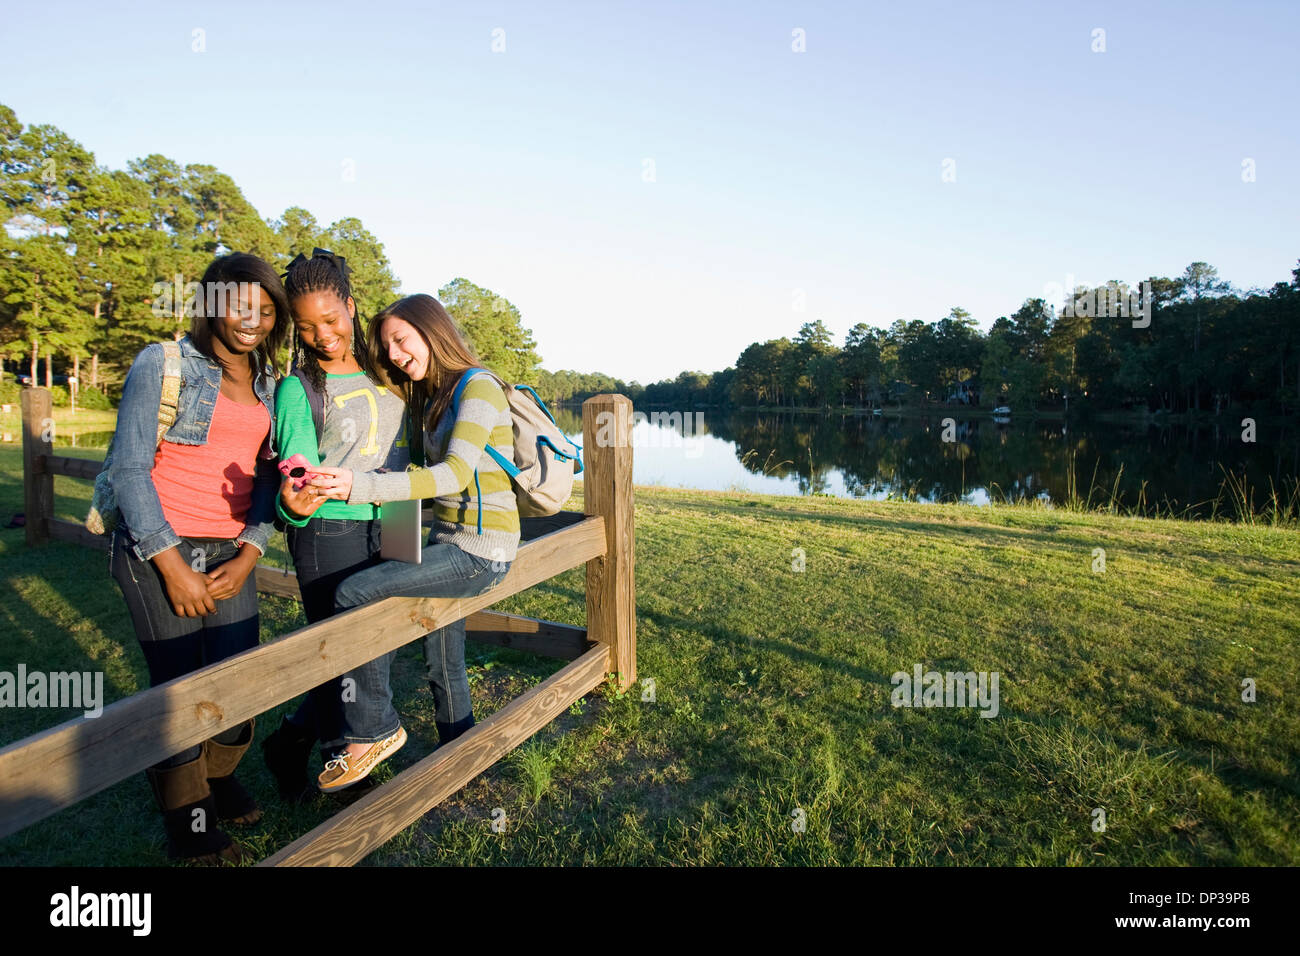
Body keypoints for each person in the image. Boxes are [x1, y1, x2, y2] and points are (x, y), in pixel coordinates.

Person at [108, 252, 288, 863]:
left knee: (237, 680)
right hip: (159, 547)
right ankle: (187, 821)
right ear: (211, 301)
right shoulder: (161, 364)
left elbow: (268, 477)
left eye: (267, 310)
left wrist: (251, 549)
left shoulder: (267, 382)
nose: (254, 320)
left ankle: (215, 775)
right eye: (242, 306)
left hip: (231, 550)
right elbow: (129, 471)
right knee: (180, 688)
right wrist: (172, 564)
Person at [308, 293, 517, 791]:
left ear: (433, 330)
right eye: (389, 347)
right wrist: (397, 539)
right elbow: (418, 479)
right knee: (442, 654)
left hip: (480, 551)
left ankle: (375, 729)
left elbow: (453, 474)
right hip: (446, 541)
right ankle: (461, 759)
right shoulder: (435, 396)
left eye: (402, 339)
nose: (398, 354)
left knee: (352, 592)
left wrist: (362, 486)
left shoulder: (479, 388)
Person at [259, 249, 413, 801]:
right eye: (306, 326)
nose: (322, 334)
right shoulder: (300, 388)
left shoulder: (390, 371)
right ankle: (344, 768)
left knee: (382, 643)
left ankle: (291, 739)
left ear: (351, 305)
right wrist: (291, 503)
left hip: (399, 514)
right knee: (341, 648)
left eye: (331, 319)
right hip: (330, 528)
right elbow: (295, 471)